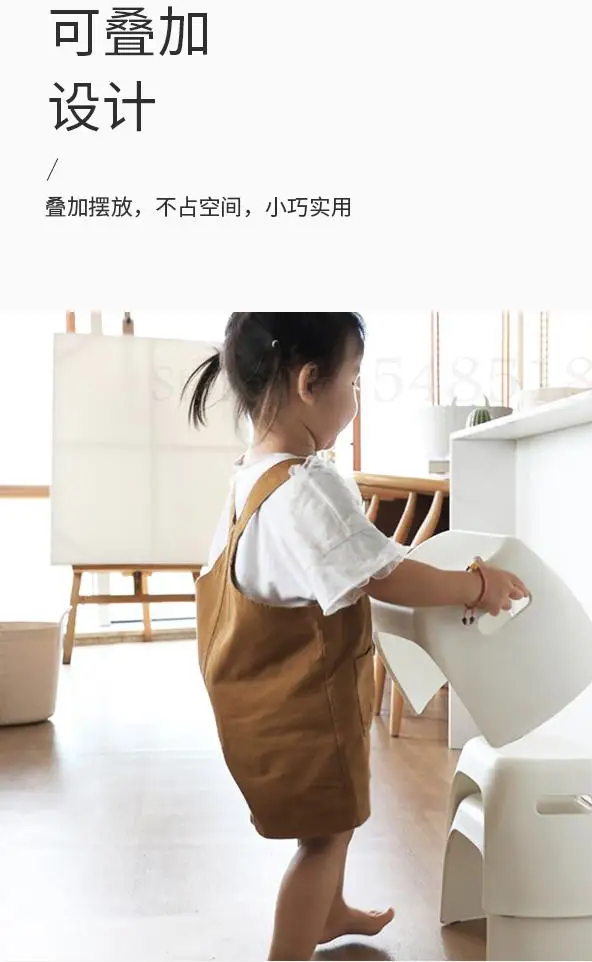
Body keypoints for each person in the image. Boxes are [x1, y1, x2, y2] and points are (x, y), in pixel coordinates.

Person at [183, 312, 527, 961]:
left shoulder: (250, 477)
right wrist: (474, 587)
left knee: (331, 822)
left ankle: (331, 910)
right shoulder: (305, 487)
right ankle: (290, 947)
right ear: (310, 382)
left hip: (261, 706)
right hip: (302, 711)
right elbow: (383, 574)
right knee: (323, 839)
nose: (356, 397)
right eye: (354, 380)